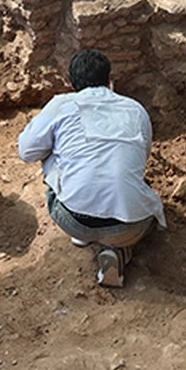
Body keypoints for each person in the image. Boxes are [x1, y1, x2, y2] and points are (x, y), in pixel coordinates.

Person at [18, 49, 166, 288]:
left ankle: (86, 238)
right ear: (110, 80)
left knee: (52, 155)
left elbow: (26, 152)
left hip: (73, 221)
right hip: (131, 225)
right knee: (135, 183)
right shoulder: (135, 109)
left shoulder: (61, 105)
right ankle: (120, 252)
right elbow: (142, 157)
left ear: (71, 83)